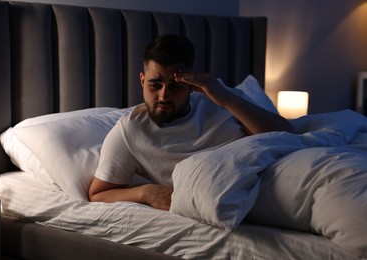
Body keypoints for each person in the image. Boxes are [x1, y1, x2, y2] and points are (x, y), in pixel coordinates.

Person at [88, 34, 295, 210]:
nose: (163, 96)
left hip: (280, 172)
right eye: (155, 85)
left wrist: (226, 98)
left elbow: (287, 135)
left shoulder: (218, 99)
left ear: (190, 85)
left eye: (175, 86)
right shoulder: (130, 131)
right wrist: (146, 193)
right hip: (247, 194)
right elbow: (98, 194)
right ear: (142, 80)